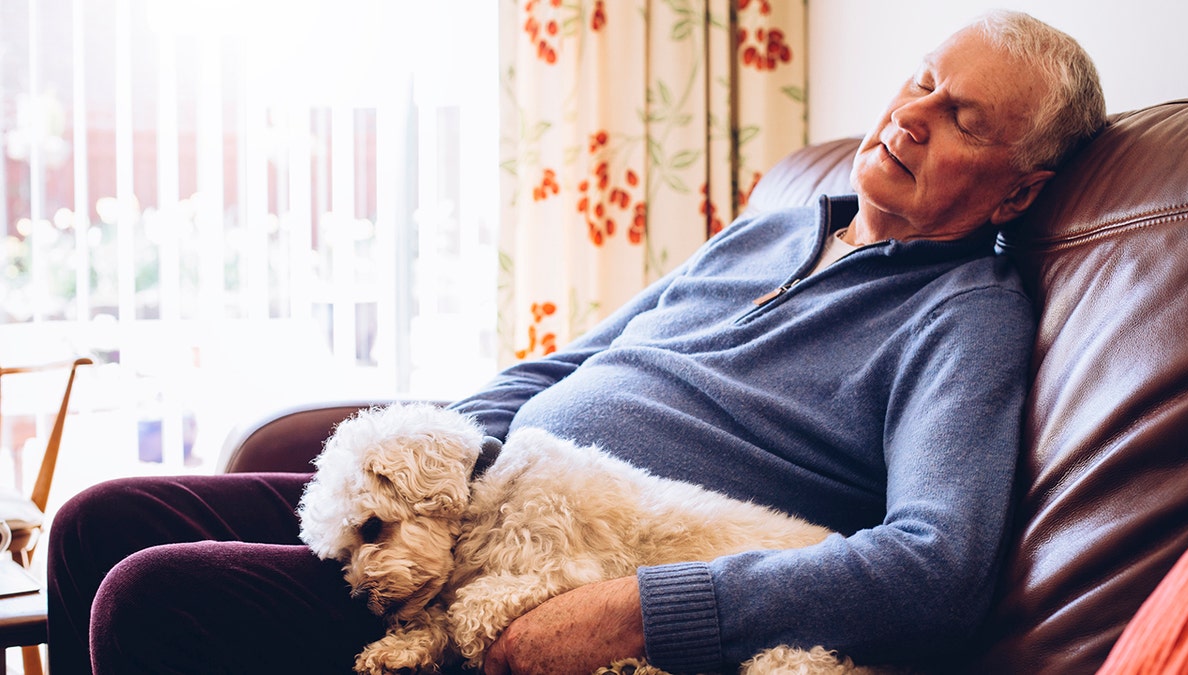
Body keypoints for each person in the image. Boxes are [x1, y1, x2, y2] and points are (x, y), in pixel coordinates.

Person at [47, 10, 1106, 675]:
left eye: (965, 119)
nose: (914, 115)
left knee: (151, 596)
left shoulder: (964, 318)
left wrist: (639, 612)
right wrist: (445, 458)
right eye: (923, 80)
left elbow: (934, 568)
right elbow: (572, 363)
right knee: (103, 518)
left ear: (1020, 189)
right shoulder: (781, 223)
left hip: (554, 574)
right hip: (479, 508)